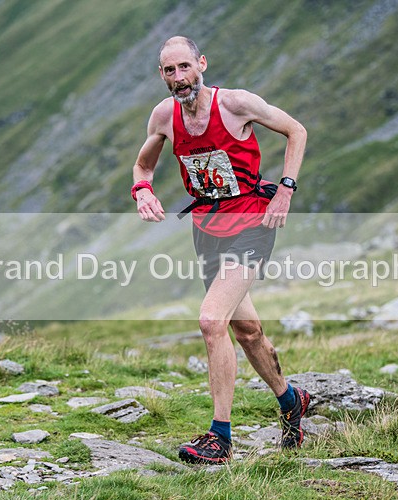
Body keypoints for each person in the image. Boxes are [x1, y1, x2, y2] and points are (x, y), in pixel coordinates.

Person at [131, 36, 309, 464]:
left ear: (202, 64)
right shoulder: (164, 117)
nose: (179, 78)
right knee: (246, 331)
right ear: (162, 75)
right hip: (207, 229)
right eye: (170, 71)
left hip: (252, 223)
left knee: (212, 320)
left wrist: (285, 190)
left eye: (185, 67)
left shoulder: (236, 104)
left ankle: (220, 438)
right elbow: (143, 165)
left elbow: (296, 131)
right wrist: (142, 191)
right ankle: (291, 401)